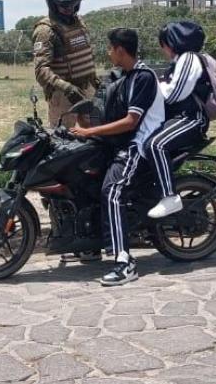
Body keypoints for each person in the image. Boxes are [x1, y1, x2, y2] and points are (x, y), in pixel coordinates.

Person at [70, 28, 164, 286]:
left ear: (121, 50)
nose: (109, 53)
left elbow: (131, 122)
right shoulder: (125, 76)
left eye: (110, 48)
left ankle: (125, 262)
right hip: (123, 142)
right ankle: (90, 243)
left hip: (138, 145)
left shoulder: (143, 77)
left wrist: (90, 130)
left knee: (111, 191)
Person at [146, 21, 212, 219]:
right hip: (179, 118)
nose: (162, 49)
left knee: (155, 145)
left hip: (191, 119)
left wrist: (152, 87)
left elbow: (174, 94)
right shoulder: (179, 61)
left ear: (171, 42)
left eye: (163, 43)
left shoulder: (189, 59)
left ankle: (170, 196)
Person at [33, 0, 98, 128]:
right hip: (64, 96)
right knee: (65, 141)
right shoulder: (46, 30)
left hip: (87, 90)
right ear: (52, 3)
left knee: (94, 137)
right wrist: (66, 88)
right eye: (65, 5)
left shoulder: (79, 23)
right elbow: (41, 70)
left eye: (74, 4)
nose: (70, 9)